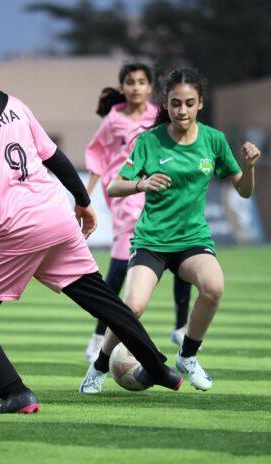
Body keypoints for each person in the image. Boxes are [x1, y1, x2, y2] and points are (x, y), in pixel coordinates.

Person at [0, 44, 183, 415]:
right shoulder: (15, 106)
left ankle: (15, 393)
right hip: (56, 216)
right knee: (103, 300)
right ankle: (159, 368)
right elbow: (54, 157)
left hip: (13, 231)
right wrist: (83, 201)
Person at [79, 68, 261, 393]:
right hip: (152, 241)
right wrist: (142, 183)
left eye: (189, 103)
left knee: (214, 287)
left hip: (192, 240)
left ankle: (187, 356)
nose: (182, 110)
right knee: (132, 307)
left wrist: (248, 167)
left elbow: (244, 191)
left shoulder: (214, 140)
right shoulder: (149, 141)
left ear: (200, 103)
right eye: (176, 103)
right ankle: (99, 365)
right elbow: (115, 185)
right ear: (166, 103)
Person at [83, 63, 192, 363]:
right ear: (123, 87)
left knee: (183, 252)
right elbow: (97, 156)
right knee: (119, 269)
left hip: (158, 192)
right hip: (125, 196)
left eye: (141, 82)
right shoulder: (113, 120)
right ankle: (98, 337)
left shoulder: (158, 116)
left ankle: (181, 327)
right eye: (130, 82)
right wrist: (87, 194)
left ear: (149, 87)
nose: (136, 87)